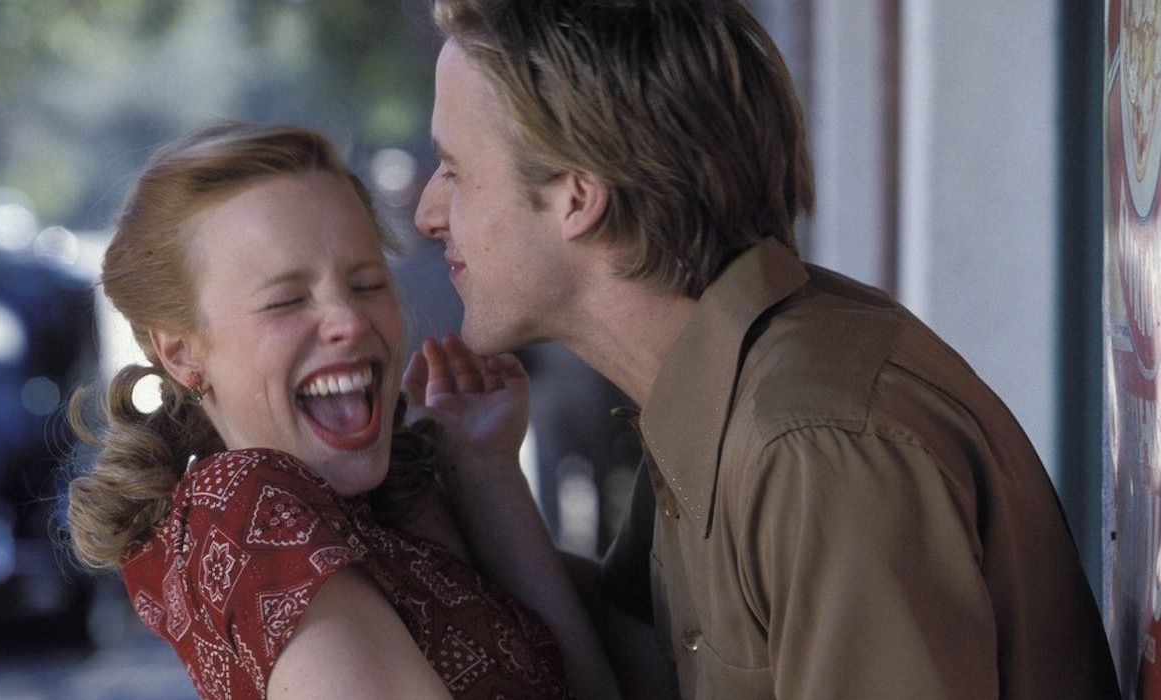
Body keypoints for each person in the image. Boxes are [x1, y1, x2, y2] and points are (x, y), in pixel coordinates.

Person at [410, 0, 1122, 698]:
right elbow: (623, 666)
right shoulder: (720, 393)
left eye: (454, 170)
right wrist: (476, 481)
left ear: (576, 193)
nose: (427, 215)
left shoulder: (811, 443)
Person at [64, 122, 618, 700]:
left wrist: (484, 471)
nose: (351, 323)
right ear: (181, 350)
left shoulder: (374, 509)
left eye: (367, 283)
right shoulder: (246, 502)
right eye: (286, 301)